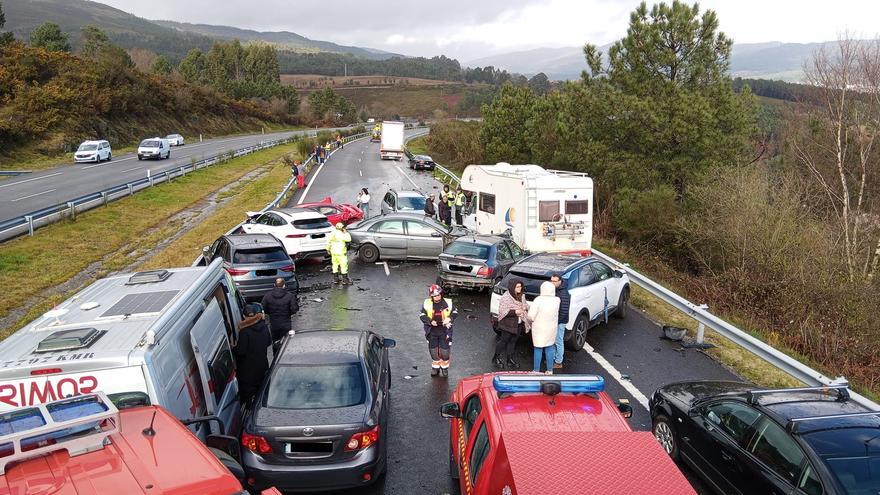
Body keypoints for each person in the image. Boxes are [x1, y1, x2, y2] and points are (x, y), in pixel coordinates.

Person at [234, 304, 272, 406]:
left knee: (249, 397)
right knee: (262, 392)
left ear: (244, 316)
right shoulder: (264, 326)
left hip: (248, 371)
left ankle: (250, 410)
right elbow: (269, 342)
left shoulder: (244, 332)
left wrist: (233, 347)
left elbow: (241, 351)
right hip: (263, 365)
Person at [419, 284, 458, 377]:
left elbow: (455, 312)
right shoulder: (427, 303)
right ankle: (435, 368)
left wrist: (450, 318)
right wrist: (430, 321)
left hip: (445, 331)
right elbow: (421, 315)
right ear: (431, 296)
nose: (437, 297)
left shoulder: (449, 302)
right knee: (433, 351)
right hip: (432, 331)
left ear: (441, 294)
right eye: (434, 296)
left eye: (438, 295)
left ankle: (444, 369)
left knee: (445, 352)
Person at [494, 278, 530, 369]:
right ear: (512, 287)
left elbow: (525, 305)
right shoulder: (506, 297)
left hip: (518, 323)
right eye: (517, 287)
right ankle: (496, 357)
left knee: (513, 342)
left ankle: (510, 359)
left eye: (520, 286)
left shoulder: (521, 296)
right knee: (503, 341)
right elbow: (502, 311)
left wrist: (525, 308)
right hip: (507, 324)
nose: (519, 289)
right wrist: (515, 312)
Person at [528, 281, 561, 374]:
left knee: (538, 348)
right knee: (550, 348)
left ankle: (536, 370)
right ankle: (550, 370)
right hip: (551, 328)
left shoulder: (538, 300)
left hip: (539, 328)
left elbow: (531, 316)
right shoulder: (557, 300)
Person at [261, 278, 299, 344]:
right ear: (284, 285)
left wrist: (270, 313)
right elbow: (294, 309)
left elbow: (263, 308)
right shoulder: (290, 296)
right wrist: (288, 314)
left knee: (275, 342)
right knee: (286, 343)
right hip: (286, 323)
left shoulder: (267, 296)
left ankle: (276, 353)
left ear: (274, 285)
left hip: (274, 324)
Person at [550, 273, 570, 369]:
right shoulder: (558, 290)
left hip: (560, 321)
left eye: (554, 281)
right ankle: (554, 358)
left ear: (560, 281)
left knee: (558, 341)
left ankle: (558, 362)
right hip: (557, 321)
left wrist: (556, 322)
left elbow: (564, 311)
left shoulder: (563, 293)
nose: (552, 283)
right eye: (551, 281)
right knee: (555, 341)